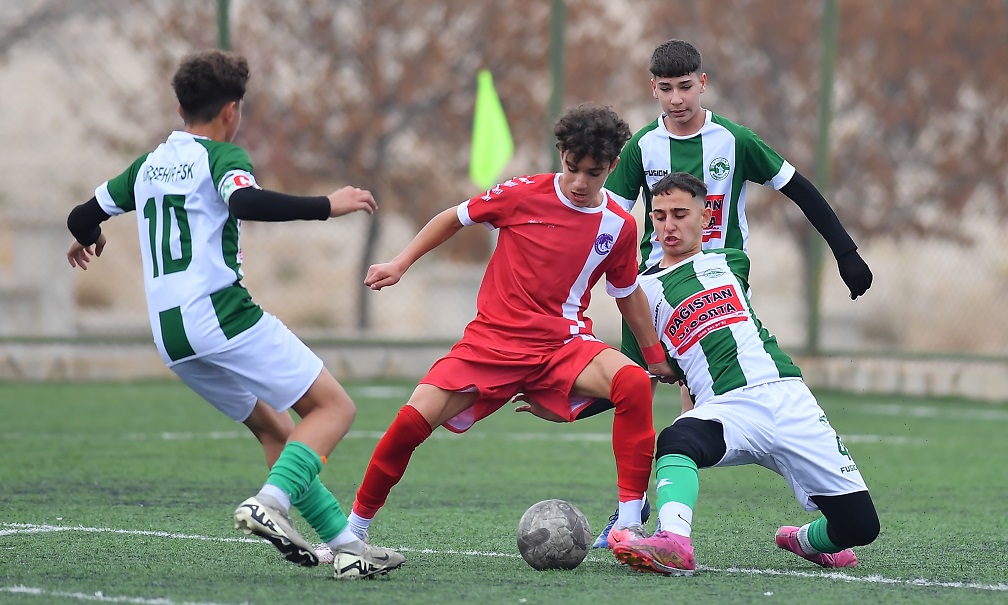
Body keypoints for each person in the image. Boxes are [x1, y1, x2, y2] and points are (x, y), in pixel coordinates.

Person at [65, 49, 404, 580]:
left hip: (171, 337)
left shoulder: (149, 164)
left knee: (276, 429)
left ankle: (345, 546)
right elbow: (245, 204)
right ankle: (270, 502)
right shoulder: (223, 158)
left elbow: (81, 215)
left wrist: (88, 237)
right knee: (334, 409)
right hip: (221, 315)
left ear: (180, 109)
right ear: (232, 110)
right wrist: (327, 205)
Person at [343, 103, 677, 555]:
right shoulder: (521, 193)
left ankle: (631, 524)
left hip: (563, 346)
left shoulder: (618, 226)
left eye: (594, 173)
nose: (581, 182)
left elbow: (627, 293)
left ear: (613, 167)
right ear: (560, 154)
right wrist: (400, 263)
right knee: (408, 424)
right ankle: (354, 531)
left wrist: (655, 356)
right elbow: (452, 218)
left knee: (633, 382)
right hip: (491, 344)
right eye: (572, 168)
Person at [592, 38, 874, 547]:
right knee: (643, 383)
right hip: (653, 282)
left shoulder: (733, 140)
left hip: (723, 274)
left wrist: (845, 251)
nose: (676, 99)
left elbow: (799, 187)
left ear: (702, 83)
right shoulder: (642, 148)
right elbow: (606, 220)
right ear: (652, 89)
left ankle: (669, 508)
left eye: (684, 86)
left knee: (701, 381)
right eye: (664, 89)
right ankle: (636, 511)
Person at [609, 172, 879, 575]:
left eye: (681, 214)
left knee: (861, 526)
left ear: (705, 218)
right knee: (677, 438)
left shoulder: (732, 261)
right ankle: (674, 541)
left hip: (788, 397)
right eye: (660, 215)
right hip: (728, 408)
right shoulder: (640, 292)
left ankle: (804, 541)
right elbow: (628, 376)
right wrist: (562, 399)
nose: (669, 225)